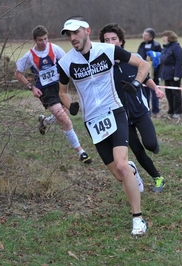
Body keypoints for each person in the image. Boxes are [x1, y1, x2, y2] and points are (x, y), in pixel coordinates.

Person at [58, 16, 150, 235]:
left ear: (87, 31)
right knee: (120, 175)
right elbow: (62, 92)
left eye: (76, 33)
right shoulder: (66, 62)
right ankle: (132, 170)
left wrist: (136, 83)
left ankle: (138, 219)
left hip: (115, 112)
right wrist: (70, 106)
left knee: (120, 165)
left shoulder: (108, 50)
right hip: (93, 121)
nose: (72, 38)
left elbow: (144, 65)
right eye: (69, 35)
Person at [99, 23, 166, 193]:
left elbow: (145, 77)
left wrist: (156, 89)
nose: (111, 42)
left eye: (114, 39)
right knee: (137, 150)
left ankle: (154, 146)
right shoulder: (103, 66)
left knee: (150, 144)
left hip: (139, 111)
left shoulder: (133, 58)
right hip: (121, 116)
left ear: (120, 41)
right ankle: (158, 178)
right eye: (106, 40)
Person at [15, 25, 92, 164]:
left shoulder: (55, 49)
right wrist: (31, 87)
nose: (43, 42)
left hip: (60, 87)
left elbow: (67, 63)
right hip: (45, 91)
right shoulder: (29, 55)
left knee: (64, 114)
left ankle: (45, 121)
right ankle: (81, 152)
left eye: (45, 39)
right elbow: (18, 73)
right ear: (34, 40)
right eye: (40, 40)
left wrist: (62, 73)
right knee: (65, 120)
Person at [159, 30, 182, 119]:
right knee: (168, 93)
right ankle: (171, 110)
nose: (163, 38)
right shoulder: (165, 48)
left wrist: (177, 74)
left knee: (175, 93)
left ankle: (178, 111)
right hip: (166, 74)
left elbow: (179, 61)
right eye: (163, 36)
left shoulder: (176, 47)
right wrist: (161, 75)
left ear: (170, 37)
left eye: (165, 36)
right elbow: (162, 62)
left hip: (174, 74)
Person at [137, 28, 162, 118]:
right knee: (144, 93)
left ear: (151, 37)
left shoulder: (156, 45)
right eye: (143, 34)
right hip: (143, 73)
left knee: (155, 92)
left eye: (146, 35)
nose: (143, 36)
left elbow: (160, 59)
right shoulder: (141, 45)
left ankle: (156, 111)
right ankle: (147, 110)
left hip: (154, 74)